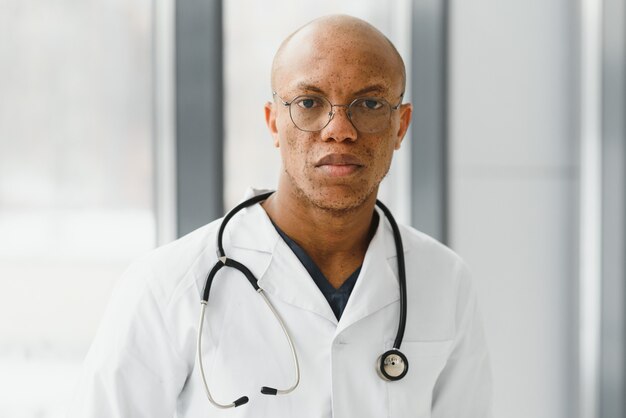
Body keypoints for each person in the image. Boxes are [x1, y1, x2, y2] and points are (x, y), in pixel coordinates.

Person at [68, 14, 492, 418]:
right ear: (273, 124)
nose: (339, 129)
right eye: (309, 102)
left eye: (369, 104)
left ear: (401, 126)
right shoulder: (167, 286)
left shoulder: (445, 281)